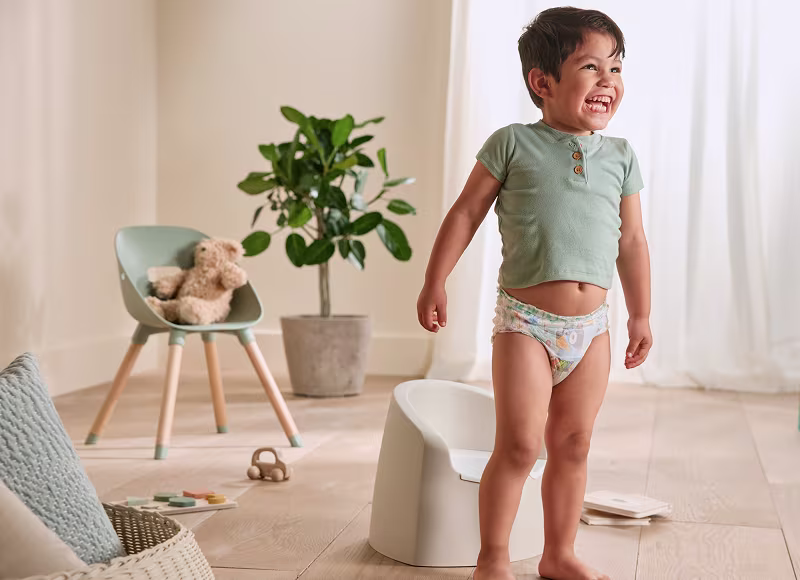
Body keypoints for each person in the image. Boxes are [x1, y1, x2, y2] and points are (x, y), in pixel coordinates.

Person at [416, 7, 652, 580]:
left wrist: (641, 314)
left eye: (616, 68)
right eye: (591, 67)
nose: (607, 80)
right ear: (542, 82)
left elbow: (632, 241)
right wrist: (435, 279)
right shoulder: (513, 143)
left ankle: (558, 554)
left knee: (574, 443)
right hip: (526, 324)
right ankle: (492, 559)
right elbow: (466, 213)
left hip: (592, 328)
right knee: (520, 445)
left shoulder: (621, 156)